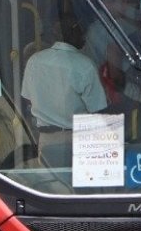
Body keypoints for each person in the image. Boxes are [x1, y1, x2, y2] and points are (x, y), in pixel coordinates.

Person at [21, 11, 109, 167]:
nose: (85, 37)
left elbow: (28, 98)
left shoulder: (34, 61)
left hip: (46, 140)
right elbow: (98, 110)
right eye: (83, 32)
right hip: (77, 139)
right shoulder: (85, 65)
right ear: (74, 32)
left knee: (52, 187)